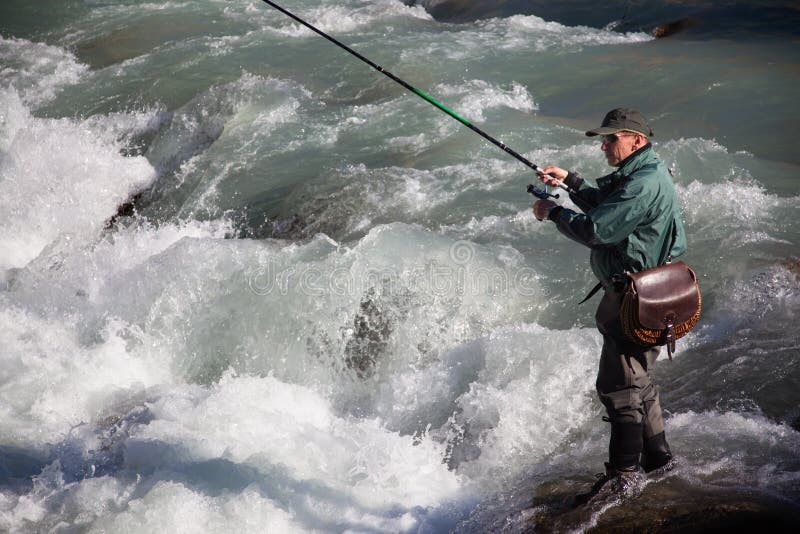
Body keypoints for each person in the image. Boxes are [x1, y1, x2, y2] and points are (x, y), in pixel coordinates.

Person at [532, 108, 686, 502]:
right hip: (651, 292)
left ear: (636, 139)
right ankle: (659, 460)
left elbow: (599, 229)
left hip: (635, 299)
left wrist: (553, 211)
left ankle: (625, 472)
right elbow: (610, 206)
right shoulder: (644, 172)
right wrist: (571, 182)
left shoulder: (642, 182)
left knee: (619, 388)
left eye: (610, 138)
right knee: (639, 380)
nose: (603, 145)